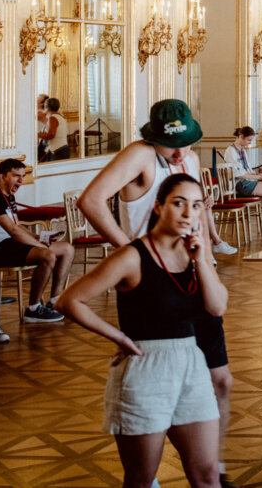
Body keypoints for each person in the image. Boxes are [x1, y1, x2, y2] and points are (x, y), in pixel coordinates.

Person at [77, 101, 238, 488]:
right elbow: (91, 200)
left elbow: (199, 204)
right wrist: (131, 253)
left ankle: (209, 466)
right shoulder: (141, 154)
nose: (180, 152)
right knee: (158, 376)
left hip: (194, 275)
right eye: (173, 146)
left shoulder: (189, 157)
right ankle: (150, 472)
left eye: (185, 143)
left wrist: (211, 245)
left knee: (221, 380)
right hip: (154, 283)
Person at [58, 174, 224, 488]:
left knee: (208, 475)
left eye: (197, 205)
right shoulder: (132, 256)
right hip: (146, 369)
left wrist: (202, 259)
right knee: (141, 479)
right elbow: (70, 300)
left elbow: (216, 308)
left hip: (192, 365)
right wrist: (118, 336)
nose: (189, 213)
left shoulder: (193, 254)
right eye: (179, 203)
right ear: (159, 207)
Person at [0, 157, 75, 340]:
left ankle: (54, 301)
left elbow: (17, 226)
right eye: (16, 176)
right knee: (47, 255)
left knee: (67, 249)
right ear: (2, 177)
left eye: (23, 176)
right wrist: (40, 245)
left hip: (10, 244)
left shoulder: (8, 197)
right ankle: (33, 308)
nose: (21, 181)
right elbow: (13, 231)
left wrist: (41, 237)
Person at [40, 96, 70, 161]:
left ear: (46, 107)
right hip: (62, 150)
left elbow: (51, 135)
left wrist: (37, 135)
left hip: (57, 152)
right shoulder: (60, 117)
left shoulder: (53, 118)